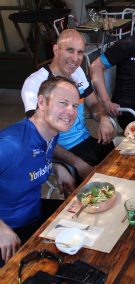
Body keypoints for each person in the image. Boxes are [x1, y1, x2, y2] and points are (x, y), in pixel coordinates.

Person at [21, 29, 115, 194]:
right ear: (56, 50)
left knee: (122, 168)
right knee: (95, 196)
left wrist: (104, 118)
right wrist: (76, 163)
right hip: (61, 152)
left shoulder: (77, 72)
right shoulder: (35, 83)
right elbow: (39, 137)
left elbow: (94, 104)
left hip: (86, 142)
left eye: (80, 52)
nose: (75, 58)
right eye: (69, 50)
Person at [0, 77, 79, 265]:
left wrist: (56, 167)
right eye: (63, 103)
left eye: (75, 106)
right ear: (41, 102)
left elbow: (29, 162)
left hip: (34, 216)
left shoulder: (51, 134)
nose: (71, 111)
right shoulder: (10, 145)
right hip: (10, 234)